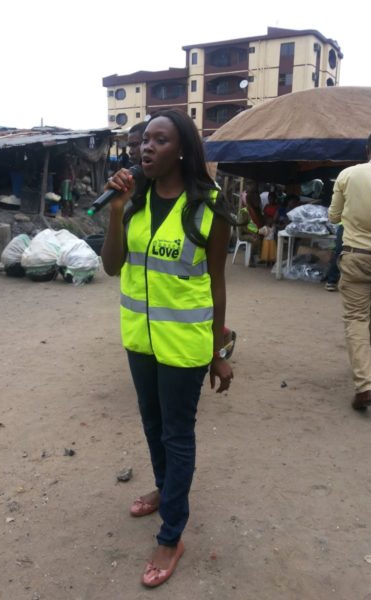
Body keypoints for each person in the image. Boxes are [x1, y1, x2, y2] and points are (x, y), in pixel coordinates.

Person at [101, 108, 234, 587]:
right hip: (140, 339)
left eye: (159, 140)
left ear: (182, 149)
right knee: (152, 424)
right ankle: (165, 488)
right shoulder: (132, 202)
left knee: (177, 435)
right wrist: (116, 211)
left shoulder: (209, 206)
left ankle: (172, 533)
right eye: (143, 140)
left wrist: (218, 353)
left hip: (184, 347)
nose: (146, 148)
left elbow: (217, 283)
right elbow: (113, 266)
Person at [328, 129, 371, 411]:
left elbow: (334, 216)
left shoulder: (349, 174)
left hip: (357, 256)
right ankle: (364, 371)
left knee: (357, 318)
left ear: (368, 149)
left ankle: (366, 382)